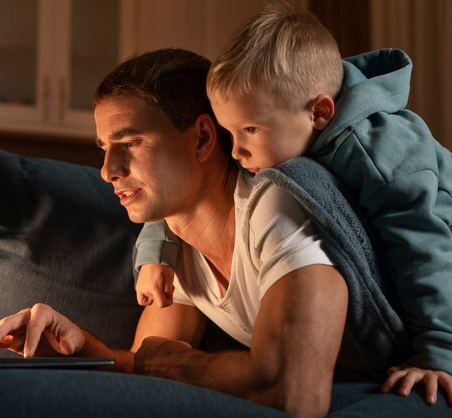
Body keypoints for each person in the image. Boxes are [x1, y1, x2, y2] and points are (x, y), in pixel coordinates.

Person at [0, 48, 352, 418]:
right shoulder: (173, 245)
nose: (108, 170)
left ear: (202, 138)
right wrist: (79, 348)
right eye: (104, 148)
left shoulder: (276, 205)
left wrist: (181, 364)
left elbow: (297, 395)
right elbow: (146, 365)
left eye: (131, 142)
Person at [133, 4, 452, 404]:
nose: (235, 152)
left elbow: (426, 247)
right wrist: (155, 253)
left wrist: (438, 352)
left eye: (249, 130)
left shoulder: (380, 156)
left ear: (320, 112)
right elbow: (185, 189)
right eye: (230, 133)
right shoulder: (281, 130)